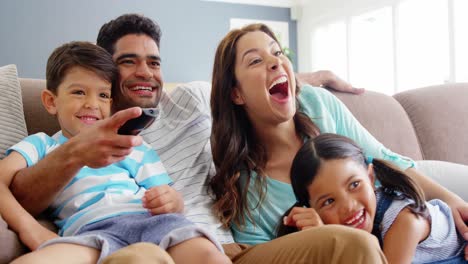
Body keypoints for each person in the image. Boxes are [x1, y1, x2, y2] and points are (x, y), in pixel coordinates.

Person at [2, 13, 368, 262]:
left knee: (353, 245)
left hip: (220, 244)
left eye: (155, 62)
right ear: (106, 72)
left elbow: (246, 81)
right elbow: (20, 189)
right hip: (135, 243)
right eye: (129, 62)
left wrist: (314, 75)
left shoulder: (191, 99)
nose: (145, 71)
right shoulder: (67, 141)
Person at [209, 23, 468, 262]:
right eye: (255, 60)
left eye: (277, 52)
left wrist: (455, 202)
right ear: (236, 93)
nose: (275, 62)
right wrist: (316, 238)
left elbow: (384, 160)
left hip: (413, 200)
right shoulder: (246, 190)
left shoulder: (316, 103)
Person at [3, 41, 228, 264]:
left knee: (208, 256)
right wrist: (29, 228)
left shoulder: (133, 145)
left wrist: (171, 201)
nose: (92, 104)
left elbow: (171, 198)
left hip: (153, 224)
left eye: (102, 95)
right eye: (79, 92)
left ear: (111, 103)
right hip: (89, 234)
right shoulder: (41, 144)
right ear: (51, 101)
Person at [277, 133, 466, 263]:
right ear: (312, 209)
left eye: (354, 185)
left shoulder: (404, 221)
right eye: (329, 201)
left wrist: (331, 241)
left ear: (370, 177)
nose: (349, 206)